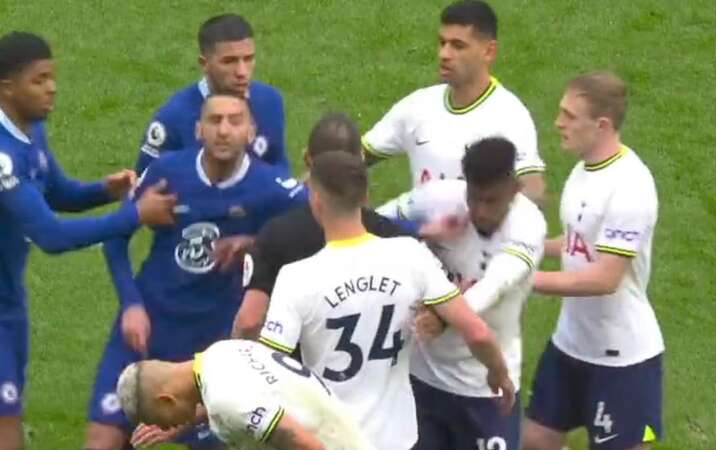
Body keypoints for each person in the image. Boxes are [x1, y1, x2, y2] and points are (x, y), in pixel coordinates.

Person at [85, 94, 306, 450]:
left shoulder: (273, 189)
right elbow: (115, 235)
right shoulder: (168, 172)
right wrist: (130, 304)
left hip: (215, 343)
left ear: (251, 132)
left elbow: (317, 233)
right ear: (198, 129)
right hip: (149, 326)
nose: (224, 130)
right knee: (104, 440)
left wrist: (255, 243)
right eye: (215, 120)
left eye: (235, 121)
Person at [259, 151, 515, 450]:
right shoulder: (409, 254)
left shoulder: (296, 278)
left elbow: (268, 369)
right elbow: (477, 332)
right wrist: (499, 372)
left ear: (315, 200)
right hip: (398, 441)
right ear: (365, 195)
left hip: (329, 441)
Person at [0, 31, 175, 450]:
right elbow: (50, 235)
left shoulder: (29, 130)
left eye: (52, 77)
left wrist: (102, 190)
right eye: (39, 80)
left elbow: (55, 192)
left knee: (11, 412)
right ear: (7, 88)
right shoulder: (2, 153)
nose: (52, 88)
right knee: (6, 424)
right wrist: (135, 213)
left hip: (9, 301)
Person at [522, 72, 664, 450]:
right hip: (571, 344)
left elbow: (605, 277)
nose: (558, 123)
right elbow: (575, 245)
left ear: (601, 126)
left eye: (569, 115)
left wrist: (526, 281)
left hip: (623, 360)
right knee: (535, 440)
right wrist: (523, 247)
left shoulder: (630, 186)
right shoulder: (583, 169)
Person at [382, 137, 546, 450]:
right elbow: (369, 222)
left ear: (514, 190)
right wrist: (418, 232)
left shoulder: (527, 226)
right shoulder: (440, 198)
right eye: (474, 198)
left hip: (486, 388)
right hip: (421, 378)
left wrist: (444, 318)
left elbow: (494, 286)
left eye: (491, 201)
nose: (481, 211)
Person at [231, 112, 415, 340]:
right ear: (360, 158)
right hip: (381, 372)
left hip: (298, 372)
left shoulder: (276, 235)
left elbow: (250, 320)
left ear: (308, 158)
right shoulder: (397, 240)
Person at [362, 0, 546, 206]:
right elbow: (354, 157)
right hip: (419, 233)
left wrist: (481, 219)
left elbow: (533, 191)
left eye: (458, 46)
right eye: (442, 43)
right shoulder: (418, 106)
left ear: (489, 52)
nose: (444, 54)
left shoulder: (509, 116)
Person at [116, 339, 374, 450]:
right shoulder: (220, 353)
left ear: (166, 399)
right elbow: (246, 399)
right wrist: (188, 420)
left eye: (162, 419)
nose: (166, 426)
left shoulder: (226, 401)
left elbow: (309, 446)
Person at [135, 14, 290, 176]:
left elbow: (278, 168)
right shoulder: (173, 118)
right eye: (229, 61)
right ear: (204, 64)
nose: (242, 72)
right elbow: (142, 187)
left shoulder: (270, 101)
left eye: (248, 59)